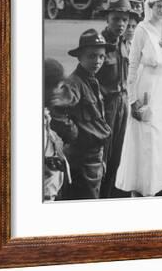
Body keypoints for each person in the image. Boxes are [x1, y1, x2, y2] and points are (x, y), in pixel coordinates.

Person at [116, 0, 162, 197]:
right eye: (158, 6)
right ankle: (146, 184)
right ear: (151, 7)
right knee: (149, 135)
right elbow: (133, 65)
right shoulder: (142, 30)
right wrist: (133, 97)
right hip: (149, 87)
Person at [62, 29, 115, 199]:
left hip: (95, 157)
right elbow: (57, 113)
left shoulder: (92, 80)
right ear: (79, 57)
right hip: (82, 159)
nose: (98, 61)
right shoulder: (73, 83)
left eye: (101, 56)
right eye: (91, 56)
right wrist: (75, 134)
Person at [97, 0, 140, 198]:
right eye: (116, 19)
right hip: (106, 106)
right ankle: (101, 197)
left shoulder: (125, 43)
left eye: (124, 20)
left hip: (123, 103)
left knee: (121, 154)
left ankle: (115, 196)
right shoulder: (99, 44)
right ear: (107, 19)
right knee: (103, 156)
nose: (121, 24)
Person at [43, 58, 73, 201]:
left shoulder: (47, 116)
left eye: (58, 85)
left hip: (51, 191)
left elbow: (71, 134)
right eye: (50, 85)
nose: (56, 90)